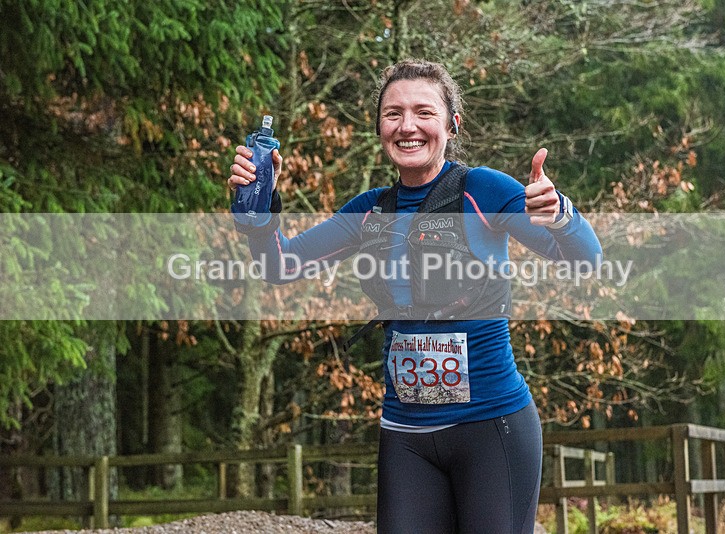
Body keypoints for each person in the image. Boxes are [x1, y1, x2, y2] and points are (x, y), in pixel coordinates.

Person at [228, 59, 602, 534]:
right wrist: (260, 212)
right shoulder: (369, 211)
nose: (407, 126)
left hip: (492, 429)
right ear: (379, 127)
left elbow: (586, 260)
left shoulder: (483, 190)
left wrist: (561, 215)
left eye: (424, 112)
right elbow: (279, 266)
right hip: (405, 437)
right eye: (393, 113)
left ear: (452, 124)